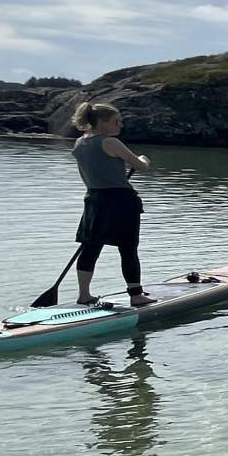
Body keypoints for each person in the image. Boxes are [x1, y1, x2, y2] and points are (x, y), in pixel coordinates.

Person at [70, 101, 155, 307]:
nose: (120, 126)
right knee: (128, 248)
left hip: (93, 199)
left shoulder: (79, 143)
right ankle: (136, 295)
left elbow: (85, 177)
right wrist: (144, 159)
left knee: (90, 248)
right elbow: (140, 166)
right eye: (116, 121)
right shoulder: (110, 142)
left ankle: (84, 295)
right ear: (101, 122)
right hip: (121, 201)